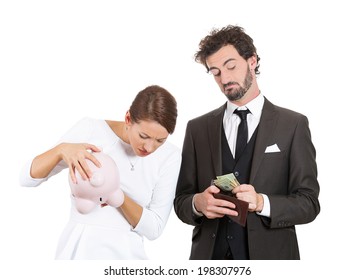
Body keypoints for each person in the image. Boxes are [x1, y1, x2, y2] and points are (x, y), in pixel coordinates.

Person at [174, 25, 320, 260]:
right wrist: (197, 204)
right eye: (215, 72)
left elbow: (309, 203)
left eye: (231, 66)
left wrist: (262, 202)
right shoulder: (197, 129)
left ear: (252, 61)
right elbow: (181, 201)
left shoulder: (293, 125)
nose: (225, 78)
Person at [19, 85, 181, 260]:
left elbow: (154, 228)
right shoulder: (91, 130)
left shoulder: (170, 156)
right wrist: (61, 150)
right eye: (143, 136)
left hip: (126, 256)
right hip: (79, 249)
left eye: (160, 140)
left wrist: (115, 194)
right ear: (128, 118)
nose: (149, 147)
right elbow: (27, 178)